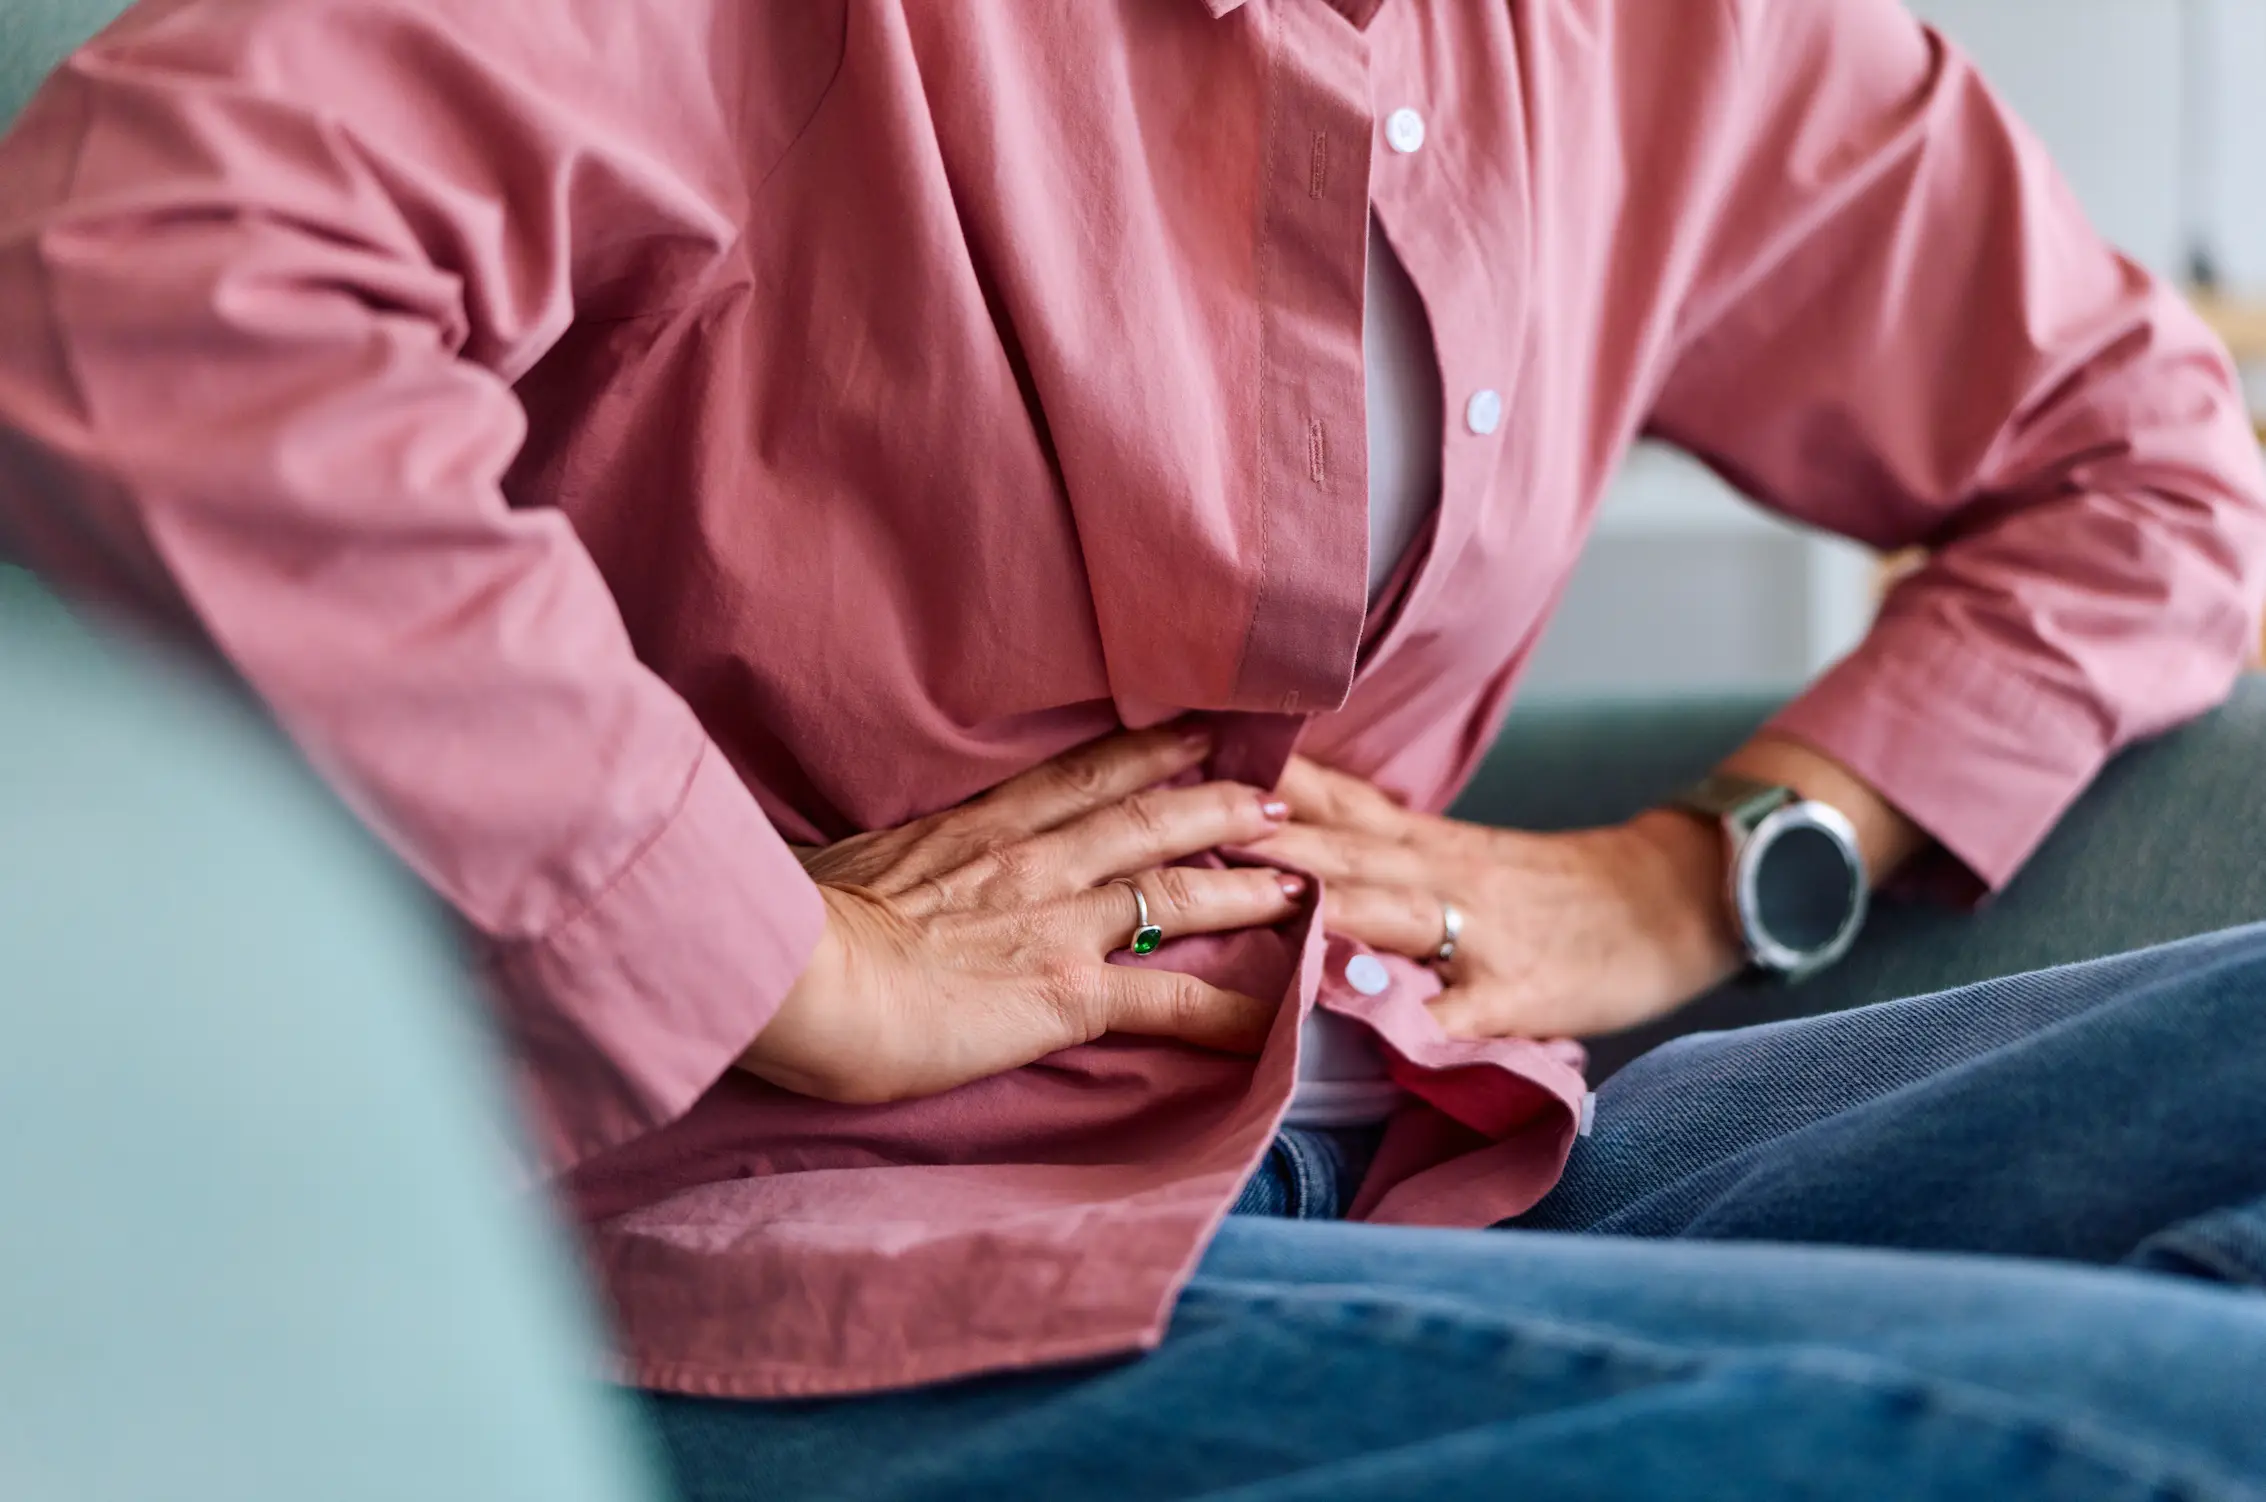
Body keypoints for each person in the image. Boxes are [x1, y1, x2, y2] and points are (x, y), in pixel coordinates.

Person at [3, 0, 2266, 1496]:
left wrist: (1705, 866)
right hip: (847, 1261)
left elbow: (2149, 454)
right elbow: (149, 248)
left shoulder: (1663, 32)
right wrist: (772, 944)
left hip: (1433, 1145)